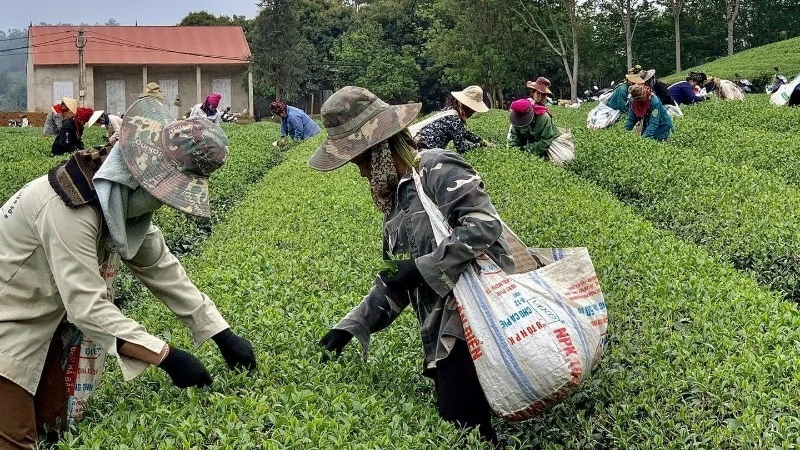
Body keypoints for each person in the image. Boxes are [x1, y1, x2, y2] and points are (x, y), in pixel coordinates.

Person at [0, 96, 257, 449]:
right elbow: (87, 307)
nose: (162, 202)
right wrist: (167, 357)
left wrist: (220, 333)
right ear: (140, 178)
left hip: (43, 323)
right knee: (17, 439)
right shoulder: (69, 209)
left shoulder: (115, 200)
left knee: (54, 426)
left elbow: (159, 267)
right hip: (9, 324)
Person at [312, 86, 514, 444]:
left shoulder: (436, 166)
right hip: (440, 333)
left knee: (466, 428)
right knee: (458, 421)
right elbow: (396, 282)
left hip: (477, 318)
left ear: (378, 151)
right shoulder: (395, 206)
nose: (361, 174)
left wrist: (424, 267)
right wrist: (351, 327)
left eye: (359, 162)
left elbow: (484, 225)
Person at [507, 78, 562, 158]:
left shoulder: (544, 117)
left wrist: (526, 150)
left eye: (543, 95)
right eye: (538, 93)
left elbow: (546, 140)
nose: (540, 96)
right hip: (531, 144)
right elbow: (515, 137)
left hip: (544, 146)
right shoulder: (521, 110)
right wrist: (514, 152)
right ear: (533, 92)